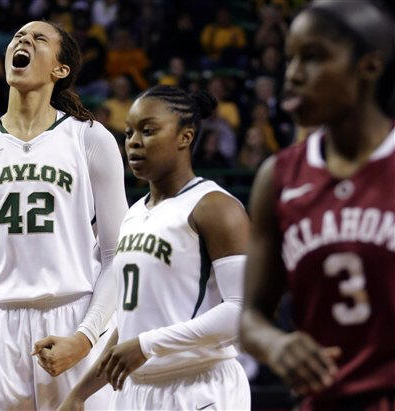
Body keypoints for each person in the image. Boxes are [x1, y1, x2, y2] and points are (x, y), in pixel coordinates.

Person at [0, 20, 128, 410]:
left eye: (38, 38)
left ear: (60, 69)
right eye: (17, 37)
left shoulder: (90, 138)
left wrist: (84, 338)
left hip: (74, 315)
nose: (22, 40)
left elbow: (118, 255)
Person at [240, 1, 395, 410]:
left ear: (369, 67)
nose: (292, 74)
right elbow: (252, 317)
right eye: (290, 58)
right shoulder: (278, 177)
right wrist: (276, 344)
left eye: (313, 57)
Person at [59, 85, 251, 410]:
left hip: (199, 385)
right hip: (137, 390)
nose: (134, 142)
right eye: (129, 133)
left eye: (148, 131)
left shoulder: (215, 207)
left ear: (185, 137)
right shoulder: (134, 214)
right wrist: (79, 394)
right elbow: (131, 325)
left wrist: (148, 344)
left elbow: (244, 311)